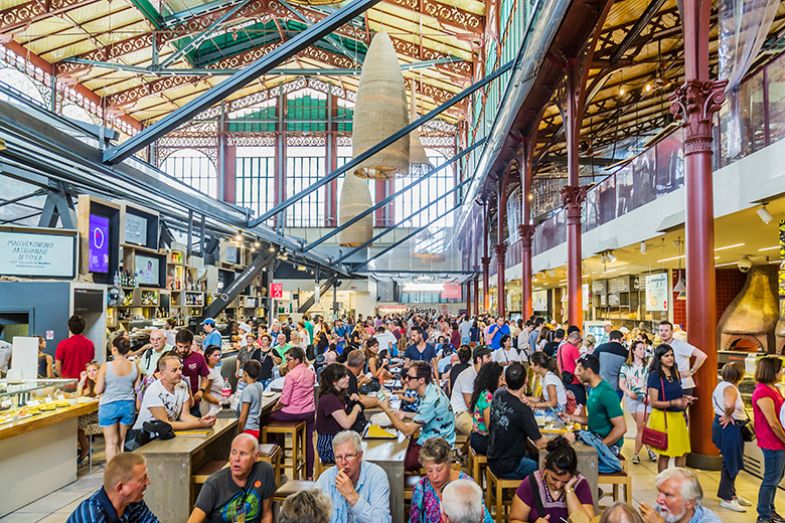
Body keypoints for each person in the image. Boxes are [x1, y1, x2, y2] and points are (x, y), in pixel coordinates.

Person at [378, 361, 456, 471]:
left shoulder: (430, 400)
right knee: (400, 446)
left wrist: (386, 409)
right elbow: (425, 415)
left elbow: (408, 431)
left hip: (439, 447)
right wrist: (405, 414)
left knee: (397, 459)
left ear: (421, 380)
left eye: (409, 377)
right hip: (435, 438)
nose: (406, 380)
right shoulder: (431, 390)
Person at [188, 434, 274, 523]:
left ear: (256, 456)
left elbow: (266, 515)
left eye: (243, 453)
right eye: (233, 452)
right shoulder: (214, 483)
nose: (236, 458)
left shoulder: (264, 471)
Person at [508, 436, 595, 523]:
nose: (558, 485)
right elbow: (514, 520)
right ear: (545, 466)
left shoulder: (580, 484)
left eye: (565, 481)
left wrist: (569, 490)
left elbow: (587, 522)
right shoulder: (531, 483)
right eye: (554, 479)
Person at [487, 362, 549, 479]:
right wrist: (563, 439)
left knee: (534, 455)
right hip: (509, 465)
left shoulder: (498, 393)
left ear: (505, 379)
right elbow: (540, 444)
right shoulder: (522, 410)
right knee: (549, 471)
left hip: (493, 456)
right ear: (526, 380)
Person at [409, 437, 493, 523]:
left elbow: (485, 519)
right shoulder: (421, 488)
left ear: (449, 463)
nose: (434, 476)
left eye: (439, 470)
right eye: (429, 470)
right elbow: (413, 520)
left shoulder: (465, 485)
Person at [131, 355, 216, 439]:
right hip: (143, 437)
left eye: (180, 369)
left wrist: (202, 421)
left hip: (164, 434)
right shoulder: (154, 390)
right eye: (174, 370)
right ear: (162, 374)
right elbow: (165, 423)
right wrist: (199, 424)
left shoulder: (182, 385)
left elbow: (185, 416)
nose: (179, 372)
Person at [315, 430, 392, 523]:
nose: (343, 462)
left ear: (360, 456)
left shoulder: (376, 476)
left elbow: (383, 521)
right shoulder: (325, 479)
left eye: (349, 456)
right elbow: (313, 517)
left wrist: (352, 497)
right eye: (339, 457)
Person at [645, 344, 695, 472]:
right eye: (666, 356)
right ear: (659, 358)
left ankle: (678, 481)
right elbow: (654, 402)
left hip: (677, 416)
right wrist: (674, 402)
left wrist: (684, 398)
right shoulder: (655, 376)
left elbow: (673, 392)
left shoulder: (675, 373)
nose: (670, 358)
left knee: (682, 451)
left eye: (671, 355)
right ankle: (663, 483)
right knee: (665, 453)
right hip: (663, 417)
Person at [67, 453, 158, 522]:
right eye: (142, 479)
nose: (148, 482)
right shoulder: (92, 514)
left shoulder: (133, 502)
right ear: (121, 488)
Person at [710, 362, 752, 513]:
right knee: (731, 462)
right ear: (740, 375)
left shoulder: (721, 385)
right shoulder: (730, 388)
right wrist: (728, 415)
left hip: (722, 426)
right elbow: (729, 404)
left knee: (729, 460)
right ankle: (727, 498)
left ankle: (731, 493)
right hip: (730, 428)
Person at [269, 346, 316, 479]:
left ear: (297, 360)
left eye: (289, 359)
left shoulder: (291, 375)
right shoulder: (310, 372)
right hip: (309, 412)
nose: (287, 362)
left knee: (266, 419)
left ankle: (278, 456)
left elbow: (284, 400)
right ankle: (308, 475)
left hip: (293, 413)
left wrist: (274, 408)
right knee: (308, 443)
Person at [568, 354, 627, 453]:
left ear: (588, 371)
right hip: (595, 438)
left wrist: (599, 447)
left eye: (579, 370)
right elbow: (594, 419)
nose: (576, 373)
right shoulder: (593, 389)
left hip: (608, 445)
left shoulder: (606, 393)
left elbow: (621, 428)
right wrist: (569, 417)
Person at [95, 336, 140, 462]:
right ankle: (123, 473)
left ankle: (112, 475)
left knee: (111, 443)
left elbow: (98, 390)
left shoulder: (106, 366)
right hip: (128, 405)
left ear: (114, 349)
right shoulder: (135, 366)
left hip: (109, 405)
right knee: (121, 441)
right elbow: (138, 389)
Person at [752, 356, 785, 523]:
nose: (783, 372)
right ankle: (764, 515)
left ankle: (771, 511)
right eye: (780, 369)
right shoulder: (763, 391)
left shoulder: (775, 388)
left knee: (776, 478)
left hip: (778, 441)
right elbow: (773, 423)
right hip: (772, 442)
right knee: (771, 478)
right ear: (773, 371)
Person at [316, 364, 364, 464]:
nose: (348, 378)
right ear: (334, 382)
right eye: (344, 377)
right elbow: (346, 423)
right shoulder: (330, 399)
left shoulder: (336, 395)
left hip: (336, 440)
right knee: (361, 456)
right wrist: (356, 408)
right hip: (329, 447)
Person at [619, 340, 657, 464]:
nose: (643, 351)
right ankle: (650, 449)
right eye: (640, 349)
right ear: (633, 350)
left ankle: (635, 454)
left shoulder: (648, 366)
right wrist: (628, 392)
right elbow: (621, 383)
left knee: (640, 427)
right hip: (631, 399)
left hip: (645, 399)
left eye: (644, 349)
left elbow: (651, 383)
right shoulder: (626, 366)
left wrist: (649, 395)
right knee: (643, 427)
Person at [638, 467, 722, 523]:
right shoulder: (658, 510)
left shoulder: (709, 521)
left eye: (667, 494)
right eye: (659, 492)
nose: (658, 500)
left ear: (690, 503)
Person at [657, 321, 707, 399]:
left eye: (666, 330)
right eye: (661, 330)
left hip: (683, 386)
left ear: (672, 332)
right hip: (670, 385)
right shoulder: (662, 346)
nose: (663, 333)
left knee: (677, 411)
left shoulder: (680, 344)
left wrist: (692, 371)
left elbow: (702, 356)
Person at [451, 346, 492, 435]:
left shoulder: (484, 374)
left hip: (475, 411)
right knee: (480, 432)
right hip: (460, 412)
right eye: (488, 357)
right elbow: (470, 405)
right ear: (479, 359)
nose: (491, 360)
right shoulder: (468, 375)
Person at [468, 362, 504, 455]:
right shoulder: (487, 397)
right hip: (482, 440)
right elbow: (490, 427)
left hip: (476, 437)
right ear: (493, 380)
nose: (503, 382)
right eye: (501, 379)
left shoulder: (483, 392)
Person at [174, 329, 211, 416]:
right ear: (175, 343)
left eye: (186, 347)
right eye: (180, 346)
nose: (183, 350)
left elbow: (205, 378)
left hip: (193, 401)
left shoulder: (198, 358)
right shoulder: (169, 357)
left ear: (191, 344)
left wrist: (201, 391)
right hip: (174, 402)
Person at [55, 315, 96, 379]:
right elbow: (90, 363)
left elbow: (58, 367)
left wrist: (62, 377)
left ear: (69, 328)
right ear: (84, 328)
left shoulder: (62, 344)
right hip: (85, 381)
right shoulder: (90, 344)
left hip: (67, 382)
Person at [77, 361, 100, 464]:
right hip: (92, 412)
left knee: (76, 424)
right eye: (89, 371)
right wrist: (82, 380)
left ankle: (85, 448)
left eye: (94, 370)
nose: (92, 373)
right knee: (75, 422)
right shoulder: (90, 386)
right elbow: (79, 396)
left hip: (101, 413)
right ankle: (84, 447)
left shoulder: (102, 384)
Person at [594, 330, 628, 398]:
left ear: (609, 338)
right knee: (613, 407)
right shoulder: (625, 352)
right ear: (621, 339)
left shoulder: (600, 348)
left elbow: (592, 363)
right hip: (616, 388)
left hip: (600, 385)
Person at [557, 330, 586, 405]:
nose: (578, 344)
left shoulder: (561, 348)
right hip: (575, 380)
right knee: (580, 406)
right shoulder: (573, 349)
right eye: (578, 342)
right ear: (575, 340)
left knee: (569, 405)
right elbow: (579, 365)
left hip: (564, 379)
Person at [237, 360, 264, 438]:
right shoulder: (259, 385)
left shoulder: (247, 390)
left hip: (248, 429)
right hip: (256, 428)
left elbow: (243, 416)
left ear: (245, 373)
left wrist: (239, 433)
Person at [200, 345, 225, 416]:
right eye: (215, 355)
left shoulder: (214, 368)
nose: (218, 358)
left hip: (216, 406)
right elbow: (205, 395)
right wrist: (220, 403)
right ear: (208, 356)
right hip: (211, 408)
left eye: (219, 355)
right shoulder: (208, 372)